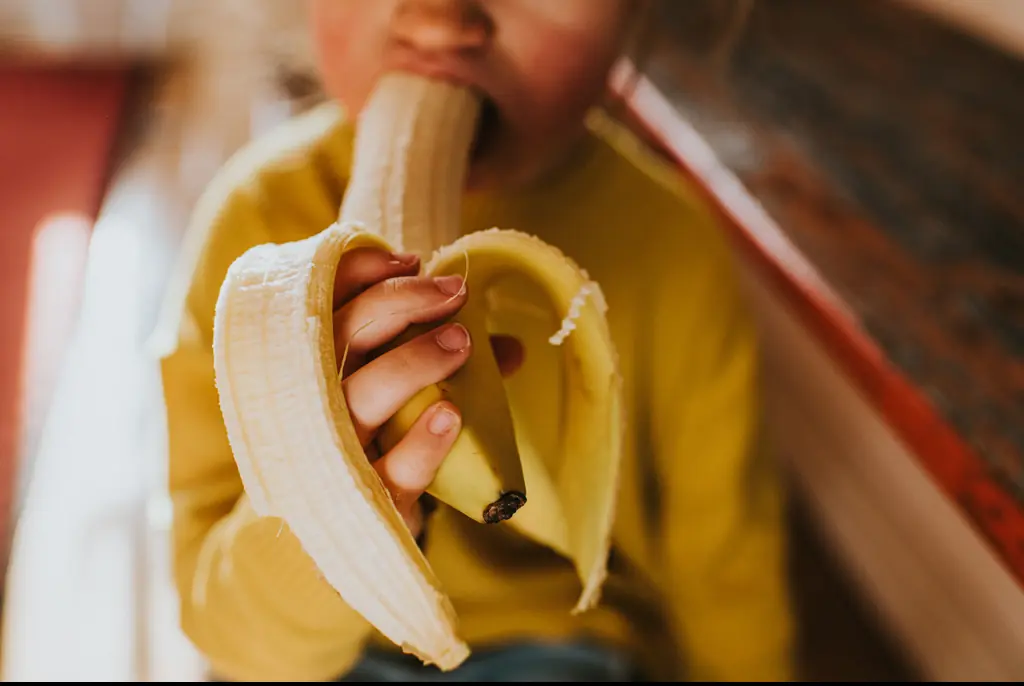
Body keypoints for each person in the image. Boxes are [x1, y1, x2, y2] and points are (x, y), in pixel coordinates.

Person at [157, 0, 795, 681]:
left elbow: (727, 566)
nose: (438, 21)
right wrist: (325, 512)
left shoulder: (674, 250)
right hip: (322, 660)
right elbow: (230, 637)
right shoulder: (254, 230)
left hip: (562, 645)